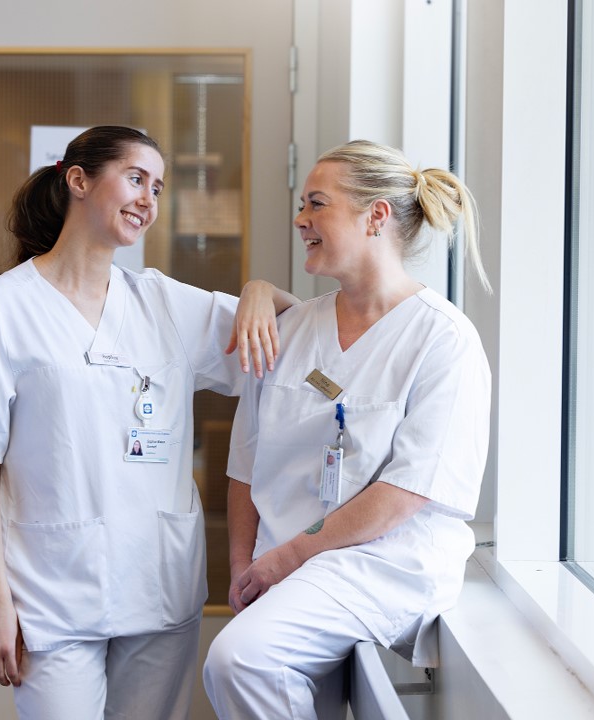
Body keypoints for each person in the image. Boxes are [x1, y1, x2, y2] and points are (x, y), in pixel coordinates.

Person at [0, 125, 297, 720]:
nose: (149, 199)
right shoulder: (0, 307)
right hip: (50, 589)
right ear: (77, 180)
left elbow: (302, 329)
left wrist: (256, 289)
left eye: (158, 186)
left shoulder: (163, 301)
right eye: (135, 178)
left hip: (158, 580)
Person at [202, 139, 492, 719]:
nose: (300, 218)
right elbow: (245, 467)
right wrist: (242, 565)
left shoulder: (442, 340)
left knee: (241, 660)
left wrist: (287, 560)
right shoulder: (290, 329)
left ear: (375, 216)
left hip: (379, 561)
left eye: (317, 204)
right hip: (282, 561)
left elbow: (405, 492)